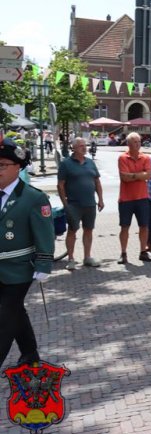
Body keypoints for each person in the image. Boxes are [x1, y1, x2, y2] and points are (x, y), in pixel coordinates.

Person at [0, 139, 55, 368]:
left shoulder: (33, 198)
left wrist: (44, 264)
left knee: (5, 317)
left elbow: (45, 234)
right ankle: (30, 352)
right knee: (16, 312)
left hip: (19, 268)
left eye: (2, 165)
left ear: (18, 167)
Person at [57, 137, 104, 270]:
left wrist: (100, 199)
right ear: (74, 148)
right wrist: (65, 204)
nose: (85, 148)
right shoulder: (66, 164)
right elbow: (60, 185)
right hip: (74, 204)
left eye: (85, 145)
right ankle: (71, 259)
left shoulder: (90, 162)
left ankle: (87, 257)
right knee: (72, 230)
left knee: (88, 230)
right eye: (81, 146)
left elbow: (97, 182)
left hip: (90, 203)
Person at [117, 132, 151, 264]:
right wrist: (140, 175)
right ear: (129, 144)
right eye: (135, 142)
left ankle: (143, 251)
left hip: (142, 197)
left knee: (144, 226)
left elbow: (148, 175)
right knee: (124, 227)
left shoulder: (146, 157)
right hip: (126, 199)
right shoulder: (122, 158)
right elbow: (124, 178)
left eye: (139, 142)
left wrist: (133, 175)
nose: (138, 144)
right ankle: (123, 253)